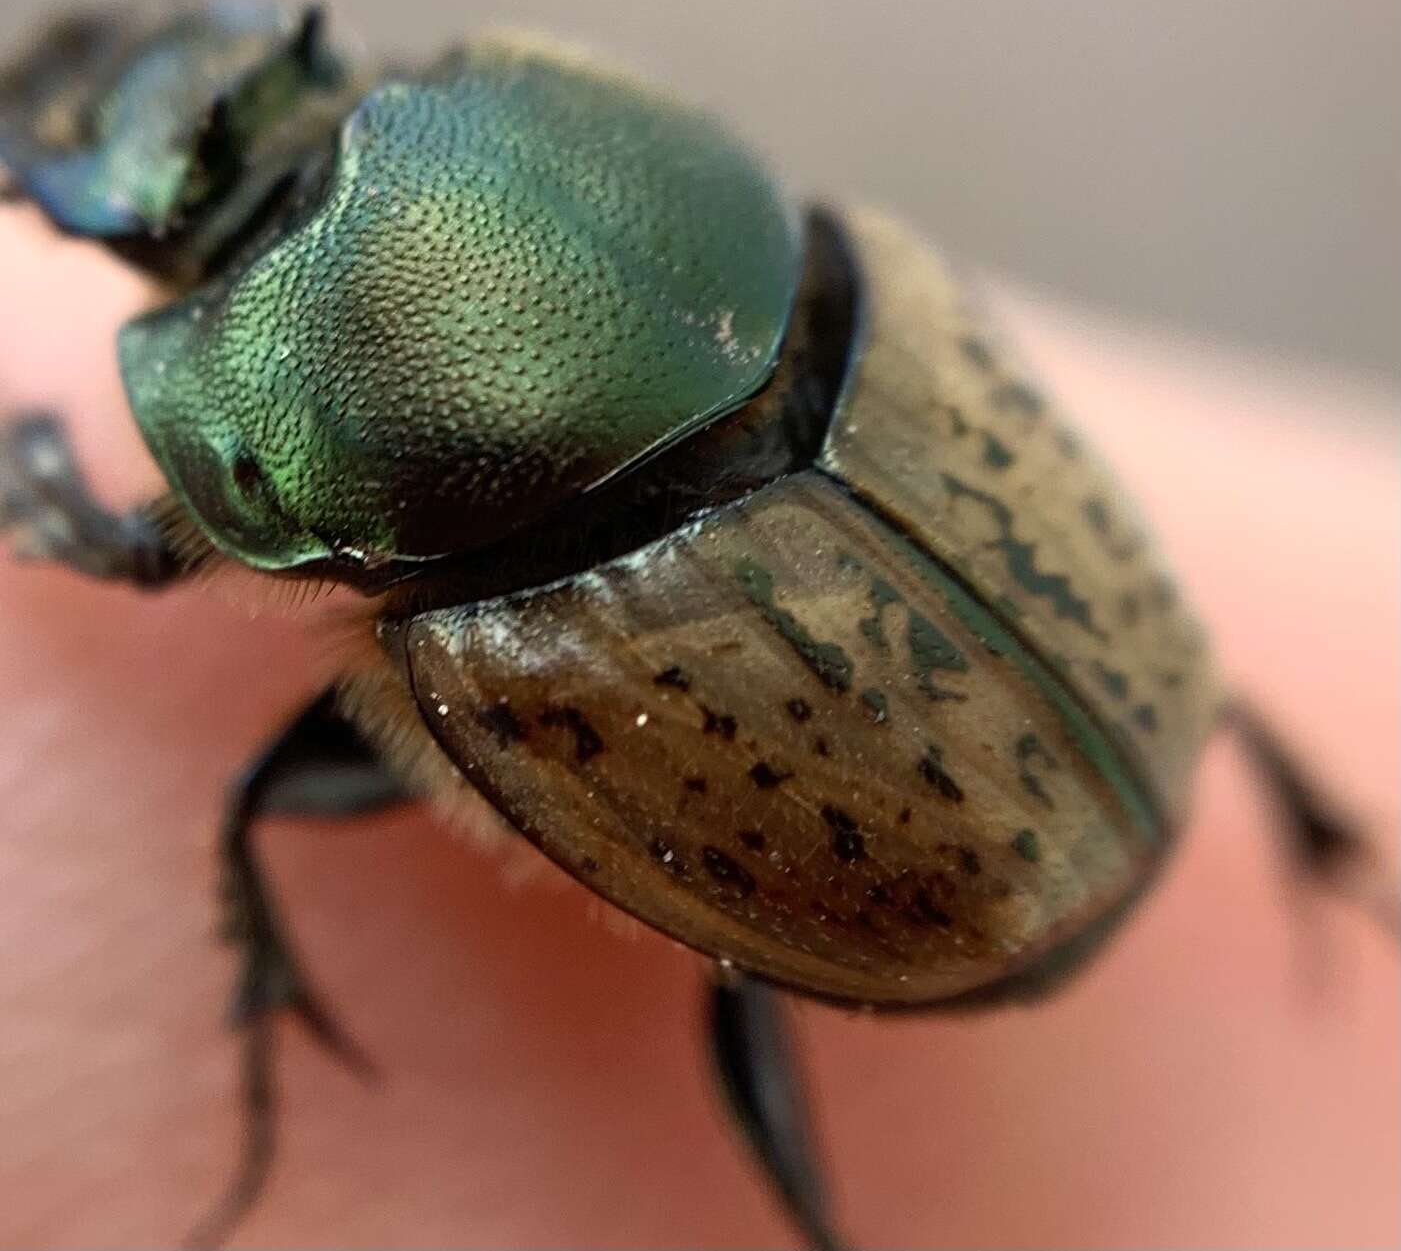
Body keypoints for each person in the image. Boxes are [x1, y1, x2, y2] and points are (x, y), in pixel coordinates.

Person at [1, 203, 1396, 1249]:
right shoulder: (760, 260)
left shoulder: (485, 601)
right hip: (1081, 728)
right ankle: (1338, 846)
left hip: (970, 857)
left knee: (261, 791)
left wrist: (59, 494)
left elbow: (152, 549)